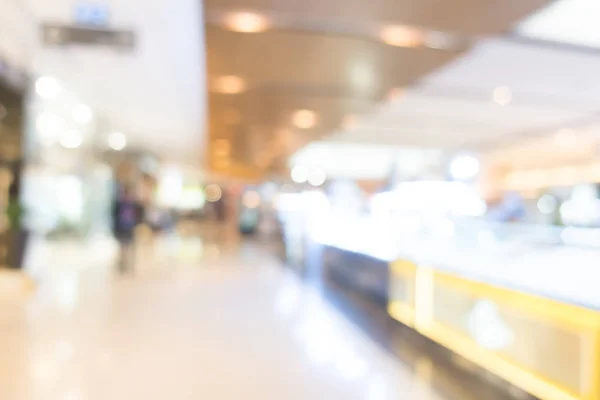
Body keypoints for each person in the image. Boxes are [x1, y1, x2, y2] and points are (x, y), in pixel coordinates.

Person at [112, 185, 142, 274]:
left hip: (131, 228)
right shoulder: (119, 203)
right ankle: (122, 264)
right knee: (122, 247)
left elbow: (138, 216)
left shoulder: (134, 204)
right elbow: (114, 216)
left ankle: (130, 265)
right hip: (121, 228)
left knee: (131, 247)